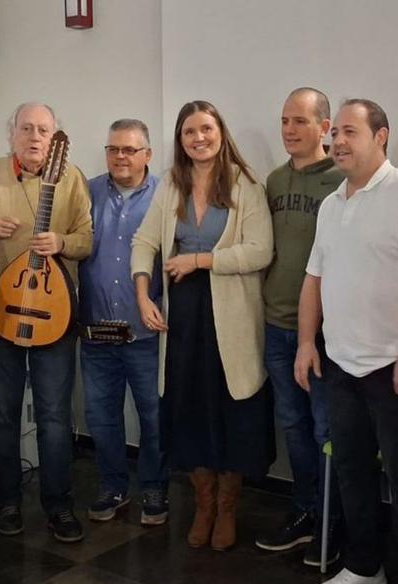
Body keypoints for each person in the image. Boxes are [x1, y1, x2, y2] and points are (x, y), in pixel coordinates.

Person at [300, 99, 398, 584]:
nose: (337, 141)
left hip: (394, 367)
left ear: (381, 136)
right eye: (334, 132)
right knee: (352, 472)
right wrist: (304, 343)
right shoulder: (331, 204)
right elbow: (313, 279)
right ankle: (365, 568)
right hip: (341, 364)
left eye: (350, 132)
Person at [130, 100, 274, 552]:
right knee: (189, 413)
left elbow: (259, 252)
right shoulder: (171, 185)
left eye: (206, 129)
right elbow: (144, 240)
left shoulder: (245, 184)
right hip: (183, 318)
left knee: (232, 414)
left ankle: (228, 508)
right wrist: (141, 293)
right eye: (190, 131)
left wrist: (200, 259)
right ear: (180, 139)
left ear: (220, 132)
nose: (199, 138)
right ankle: (204, 504)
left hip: (229, 318)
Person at [0, 102, 93, 543]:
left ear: (57, 138)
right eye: (26, 128)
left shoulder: (70, 178)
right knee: (1, 414)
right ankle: (7, 501)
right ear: (10, 134)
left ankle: (58, 506)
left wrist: (60, 241)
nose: (35, 137)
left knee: (56, 416)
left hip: (53, 314)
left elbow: (86, 239)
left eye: (44, 130)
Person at [254, 87, 346, 567]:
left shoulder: (342, 180)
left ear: (324, 127)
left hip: (325, 333)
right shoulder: (272, 180)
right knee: (292, 426)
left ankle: (335, 523)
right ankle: (306, 512)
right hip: (277, 324)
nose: (289, 130)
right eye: (285, 121)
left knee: (325, 429)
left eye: (300, 121)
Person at [79, 118, 168, 526]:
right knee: (101, 416)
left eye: (130, 149)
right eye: (113, 149)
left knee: (153, 415)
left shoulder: (167, 195)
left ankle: (154, 488)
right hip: (96, 330)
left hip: (146, 332)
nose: (120, 157)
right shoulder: (87, 192)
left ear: (147, 154)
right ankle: (113, 486)